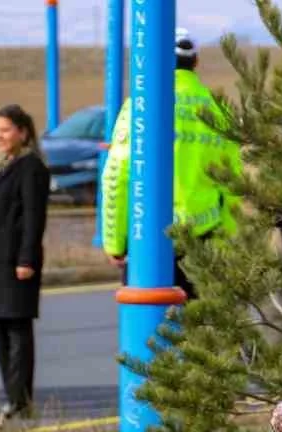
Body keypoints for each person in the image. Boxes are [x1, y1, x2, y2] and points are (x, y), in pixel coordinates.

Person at [101, 28, 241, 300]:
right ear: (196, 62)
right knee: (202, 335)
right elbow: (233, 183)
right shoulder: (218, 110)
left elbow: (117, 175)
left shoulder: (140, 106)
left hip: (149, 239)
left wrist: (114, 240)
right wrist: (225, 243)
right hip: (205, 238)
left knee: (150, 333)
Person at [0, 105, 49, 421]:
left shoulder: (31, 167)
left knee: (17, 328)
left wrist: (26, 258)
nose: (0, 136)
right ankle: (12, 393)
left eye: (6, 129)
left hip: (17, 261)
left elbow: (34, 217)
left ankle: (20, 400)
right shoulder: (6, 165)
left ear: (23, 132)